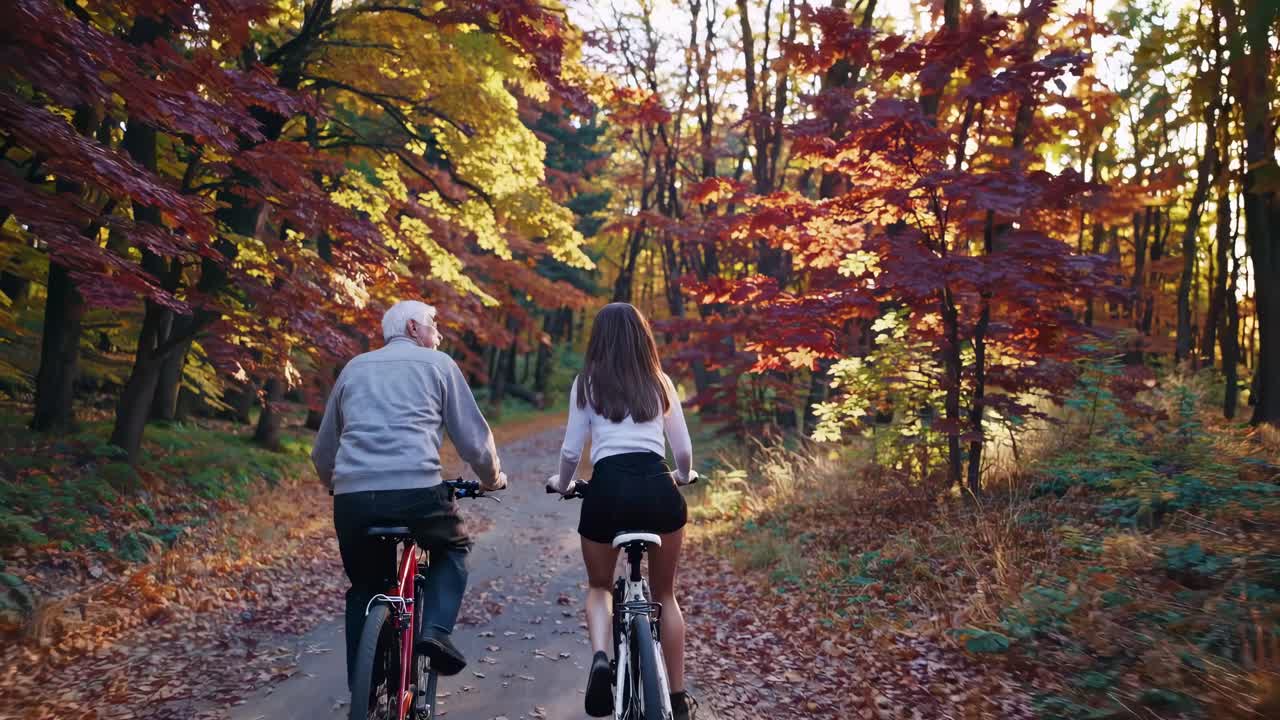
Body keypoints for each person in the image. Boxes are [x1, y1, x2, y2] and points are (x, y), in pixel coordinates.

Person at [312, 300, 507, 688]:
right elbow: (474, 442)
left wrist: (335, 484)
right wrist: (491, 478)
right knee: (452, 549)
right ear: (414, 328)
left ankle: (365, 691)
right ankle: (434, 631)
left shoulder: (354, 368)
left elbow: (323, 452)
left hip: (354, 500)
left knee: (365, 588)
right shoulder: (439, 366)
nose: (440, 333)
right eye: (435, 324)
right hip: (417, 491)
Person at [547, 302, 697, 720]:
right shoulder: (660, 382)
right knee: (665, 595)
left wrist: (562, 484)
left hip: (607, 492)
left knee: (599, 587)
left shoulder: (586, 384)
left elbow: (570, 451)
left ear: (599, 338)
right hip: (657, 489)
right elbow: (682, 451)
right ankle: (679, 698)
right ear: (642, 336)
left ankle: (600, 658)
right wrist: (683, 476)